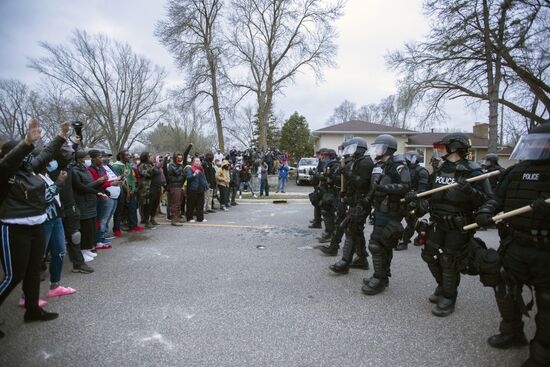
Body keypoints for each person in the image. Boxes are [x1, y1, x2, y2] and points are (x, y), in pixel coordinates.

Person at [475, 123, 550, 367]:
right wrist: (486, 212)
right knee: (504, 287)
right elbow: (498, 199)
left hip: (546, 249)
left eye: (543, 142)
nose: (537, 146)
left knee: (547, 303)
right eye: (534, 142)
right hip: (515, 242)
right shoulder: (516, 171)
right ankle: (512, 332)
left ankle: (541, 355)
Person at [411, 132, 493, 316]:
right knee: (429, 255)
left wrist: (470, 190)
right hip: (438, 221)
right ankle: (442, 286)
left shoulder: (473, 171)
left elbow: (488, 200)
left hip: (458, 224)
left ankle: (449, 296)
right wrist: (421, 200)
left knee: (449, 260)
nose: (440, 151)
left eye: (443, 147)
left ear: (455, 147)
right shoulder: (441, 169)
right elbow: (430, 192)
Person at [0, 119, 67, 339]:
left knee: (32, 270)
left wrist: (61, 136)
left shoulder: (30, 169)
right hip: (14, 229)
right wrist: (26, 142)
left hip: (37, 225)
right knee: (14, 275)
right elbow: (9, 162)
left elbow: (46, 154)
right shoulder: (5, 173)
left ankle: (32, 309)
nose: (29, 158)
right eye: (24, 154)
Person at [362, 134, 411, 296]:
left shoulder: (398, 164)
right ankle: (383, 277)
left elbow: (406, 185)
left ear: (388, 149)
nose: (376, 150)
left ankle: (379, 278)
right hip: (380, 210)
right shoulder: (380, 165)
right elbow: (375, 186)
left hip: (392, 211)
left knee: (376, 244)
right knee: (383, 245)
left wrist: (385, 189)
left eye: (379, 147)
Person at [328, 138, 373, 273]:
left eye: (351, 148)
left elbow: (361, 183)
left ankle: (345, 262)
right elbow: (352, 184)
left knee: (350, 230)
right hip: (355, 200)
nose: (349, 152)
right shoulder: (356, 161)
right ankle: (362, 259)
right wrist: (346, 194)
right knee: (356, 230)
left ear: (358, 148)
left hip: (362, 202)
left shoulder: (366, 163)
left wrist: (346, 172)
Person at [53, 142, 94, 274]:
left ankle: (78, 263)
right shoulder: (47, 169)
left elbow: (72, 152)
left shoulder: (69, 167)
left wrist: (76, 140)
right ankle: (40, 268)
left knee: (75, 236)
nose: (70, 154)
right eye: (66, 153)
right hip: (53, 210)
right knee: (47, 243)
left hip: (70, 207)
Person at [39, 160, 76, 298]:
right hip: (44, 220)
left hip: (56, 217)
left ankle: (55, 285)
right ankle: (27, 296)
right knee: (37, 256)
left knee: (60, 251)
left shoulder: (46, 175)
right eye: (48, 159)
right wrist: (59, 182)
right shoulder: (34, 178)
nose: (52, 162)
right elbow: (45, 198)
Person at [72, 150, 109, 262]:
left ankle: (87, 249)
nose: (88, 159)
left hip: (91, 202)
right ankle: (82, 251)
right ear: (79, 158)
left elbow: (90, 185)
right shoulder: (75, 171)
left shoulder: (84, 169)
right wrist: (98, 182)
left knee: (91, 228)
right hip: (83, 203)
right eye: (87, 157)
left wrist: (98, 189)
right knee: (85, 228)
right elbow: (81, 187)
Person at [396, 151, 429, 251]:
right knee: (405, 219)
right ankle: (423, 230)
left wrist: (414, 197)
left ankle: (404, 242)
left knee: (411, 221)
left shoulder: (422, 171)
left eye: (410, 157)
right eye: (406, 156)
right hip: (403, 199)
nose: (407, 159)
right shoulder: (404, 170)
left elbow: (423, 190)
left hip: (415, 201)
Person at [87, 150, 120, 247]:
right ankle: (97, 240)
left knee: (104, 218)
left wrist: (112, 182)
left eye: (102, 157)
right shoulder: (90, 170)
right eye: (100, 157)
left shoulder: (102, 168)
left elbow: (103, 181)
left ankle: (100, 239)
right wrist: (110, 183)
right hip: (97, 196)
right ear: (93, 158)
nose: (102, 159)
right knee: (101, 219)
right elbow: (94, 184)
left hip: (105, 195)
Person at [112, 150, 143, 233]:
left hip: (131, 191)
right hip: (122, 191)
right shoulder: (116, 166)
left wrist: (133, 189)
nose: (129, 156)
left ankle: (133, 225)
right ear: (121, 156)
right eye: (126, 155)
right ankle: (117, 228)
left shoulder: (128, 165)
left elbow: (132, 179)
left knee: (133, 208)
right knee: (120, 210)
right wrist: (127, 190)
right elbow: (118, 180)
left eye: (129, 155)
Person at [166, 144, 193, 226]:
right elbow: (171, 178)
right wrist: (182, 175)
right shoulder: (171, 166)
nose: (180, 159)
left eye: (181, 158)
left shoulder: (181, 165)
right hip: (174, 186)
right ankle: (174, 219)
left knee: (179, 203)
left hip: (180, 186)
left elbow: (185, 154)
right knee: (175, 203)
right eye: (179, 158)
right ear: (175, 158)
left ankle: (177, 217)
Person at [318, 150, 340, 243]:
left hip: (333, 192)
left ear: (331, 156)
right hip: (327, 190)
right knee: (326, 212)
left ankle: (330, 233)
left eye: (326, 156)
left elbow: (334, 179)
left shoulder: (335, 165)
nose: (324, 157)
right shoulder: (329, 164)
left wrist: (327, 177)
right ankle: (329, 232)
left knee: (328, 212)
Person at [186, 157, 209, 222]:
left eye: (199, 161)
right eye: (196, 161)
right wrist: (194, 174)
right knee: (191, 204)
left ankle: (200, 218)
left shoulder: (201, 169)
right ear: (193, 163)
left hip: (201, 189)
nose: (198, 162)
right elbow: (188, 178)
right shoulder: (190, 169)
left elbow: (204, 179)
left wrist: (207, 186)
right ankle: (189, 218)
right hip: (192, 189)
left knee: (200, 204)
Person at [137, 152, 155, 228]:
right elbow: (148, 174)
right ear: (145, 157)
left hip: (149, 187)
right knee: (144, 205)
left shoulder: (149, 165)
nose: (150, 158)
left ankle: (147, 220)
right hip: (144, 189)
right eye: (149, 156)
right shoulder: (142, 165)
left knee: (148, 205)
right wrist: (153, 168)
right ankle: (146, 221)